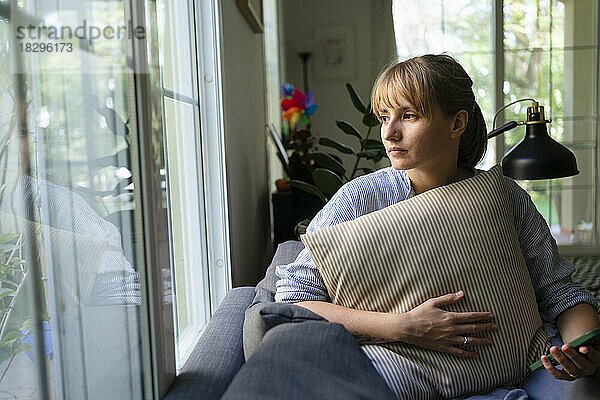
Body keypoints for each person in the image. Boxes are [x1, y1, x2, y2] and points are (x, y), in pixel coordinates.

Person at [275, 54, 600, 399]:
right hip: (409, 378)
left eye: (408, 116)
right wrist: (402, 326)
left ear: (457, 124)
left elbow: (562, 293)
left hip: (527, 370)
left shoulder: (505, 196)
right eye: (384, 117)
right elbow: (295, 303)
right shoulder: (359, 200)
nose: (389, 132)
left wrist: (585, 352)